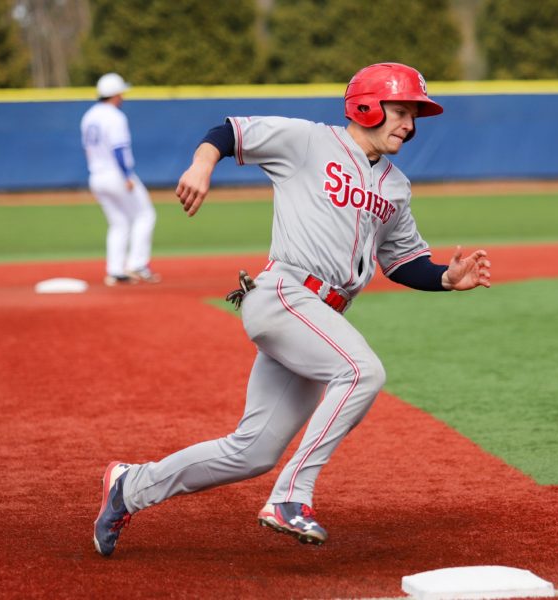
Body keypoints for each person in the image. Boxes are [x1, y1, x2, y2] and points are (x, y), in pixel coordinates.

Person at [92, 63, 491, 556]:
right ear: (367, 105)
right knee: (361, 371)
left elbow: (404, 261)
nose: (410, 125)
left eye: (415, 115)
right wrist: (202, 164)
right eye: (402, 110)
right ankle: (290, 498)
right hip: (284, 294)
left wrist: (447, 279)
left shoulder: (395, 186)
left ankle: (130, 486)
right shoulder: (308, 142)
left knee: (253, 450)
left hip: (320, 316)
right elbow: (229, 131)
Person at [80, 72, 161, 286]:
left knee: (119, 222)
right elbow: (119, 148)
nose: (123, 97)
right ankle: (137, 265)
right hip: (116, 174)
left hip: (96, 175)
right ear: (115, 95)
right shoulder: (115, 117)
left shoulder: (89, 116)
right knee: (145, 214)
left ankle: (115, 270)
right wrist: (126, 175)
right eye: (121, 93)